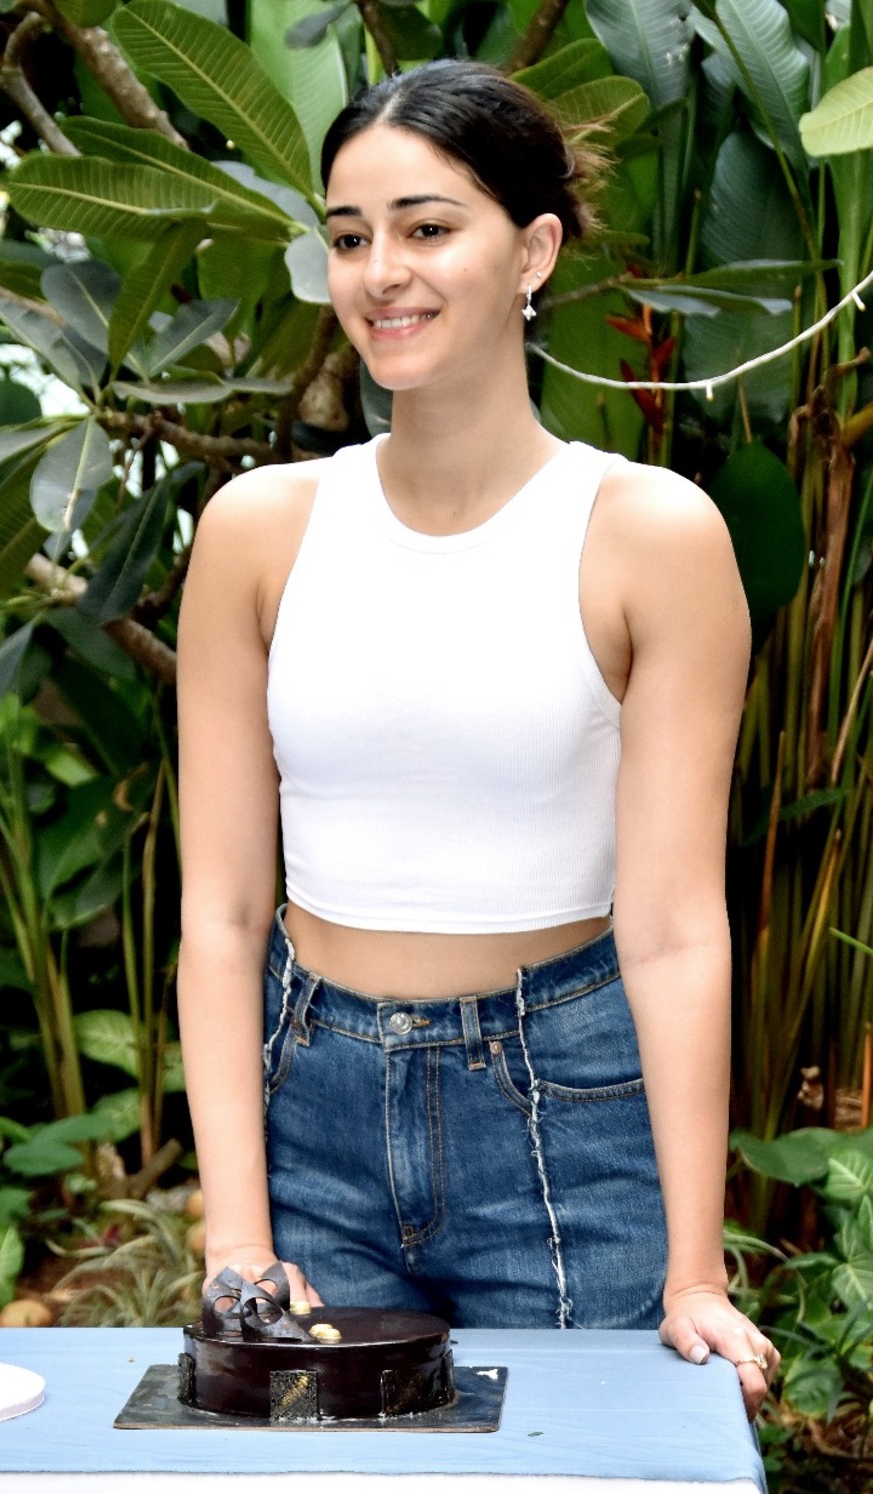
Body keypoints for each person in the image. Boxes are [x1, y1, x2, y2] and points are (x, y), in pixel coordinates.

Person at [175, 58, 780, 1417]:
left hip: (568, 1115)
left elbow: (678, 928)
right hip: (307, 1114)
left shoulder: (652, 535)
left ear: (534, 250)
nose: (381, 270)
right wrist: (235, 1238)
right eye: (348, 236)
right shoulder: (256, 534)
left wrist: (695, 1270)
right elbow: (219, 916)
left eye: (428, 227)